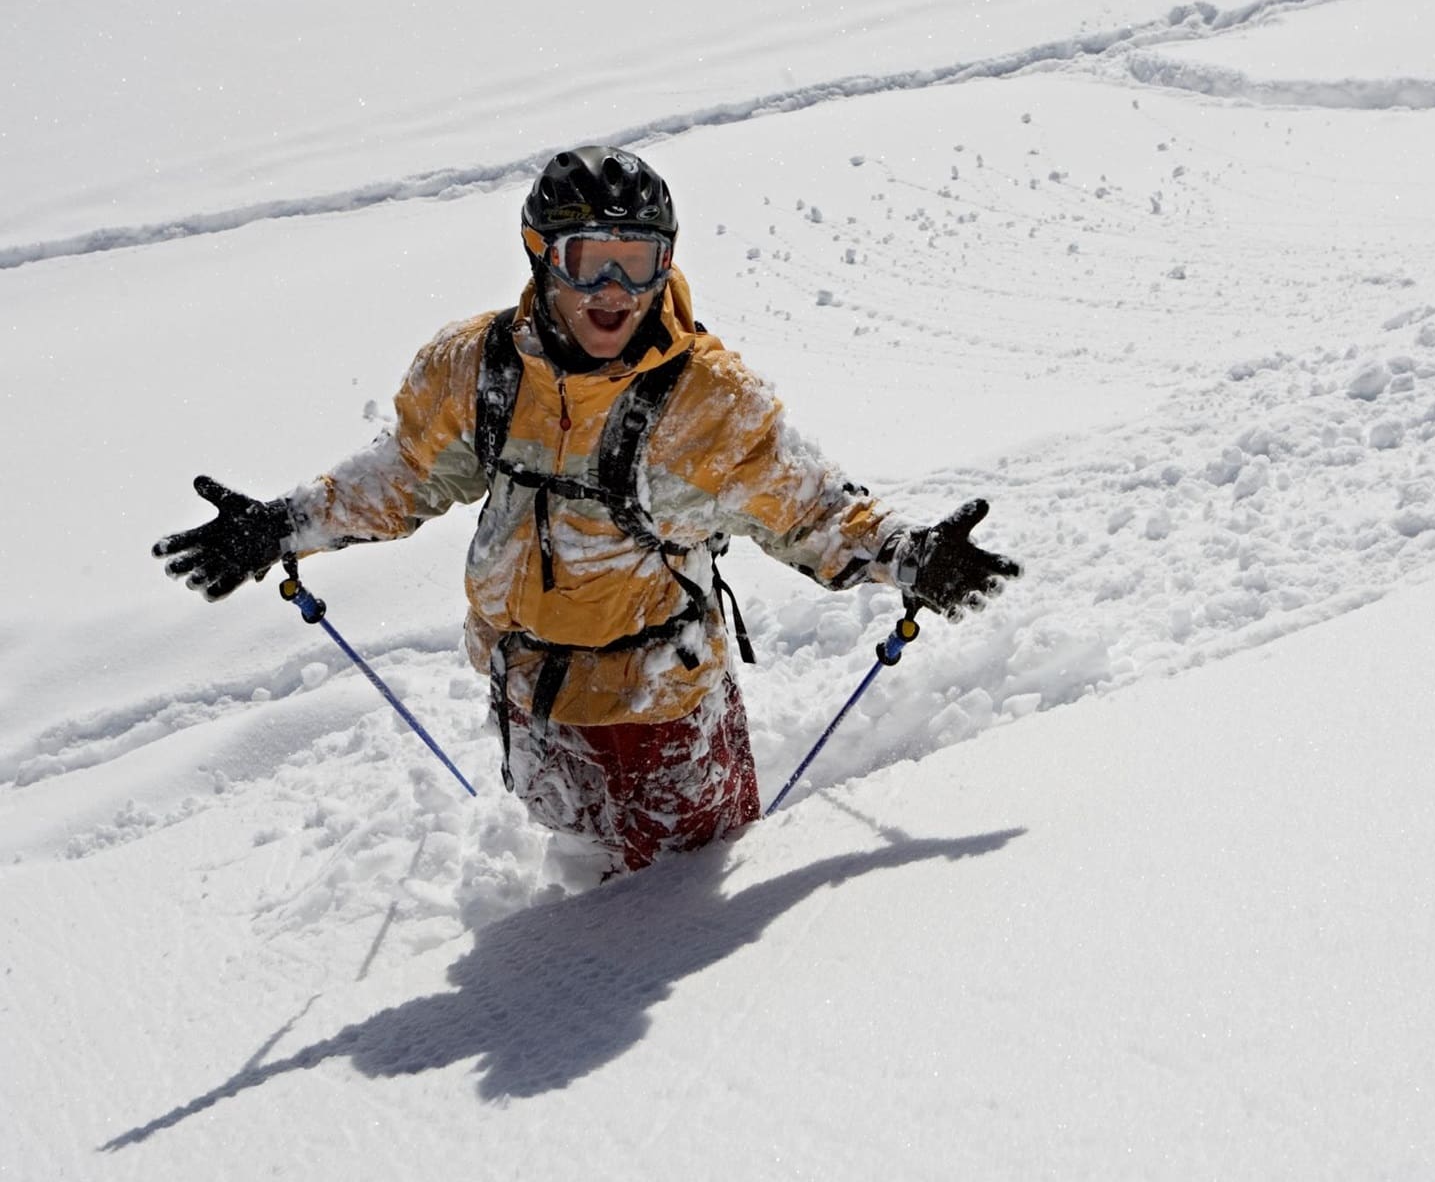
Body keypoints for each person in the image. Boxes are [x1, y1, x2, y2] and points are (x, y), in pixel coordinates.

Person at [152, 146, 1019, 883]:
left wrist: (908, 552)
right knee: (579, 873)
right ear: (541, 258)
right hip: (524, 686)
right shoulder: (477, 369)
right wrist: (283, 524)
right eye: (588, 259)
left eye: (637, 262)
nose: (614, 290)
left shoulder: (707, 402)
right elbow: (409, 471)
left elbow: (813, 512)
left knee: (674, 920)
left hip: (660, 707)